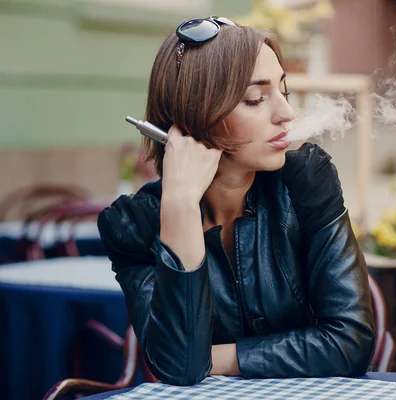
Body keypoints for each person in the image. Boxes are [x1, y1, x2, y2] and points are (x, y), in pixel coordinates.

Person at [97, 16, 375, 386]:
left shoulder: (305, 181)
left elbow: (350, 342)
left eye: (283, 91)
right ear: (195, 116)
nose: (286, 114)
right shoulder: (134, 226)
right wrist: (179, 204)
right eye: (255, 99)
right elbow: (180, 369)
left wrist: (213, 357)